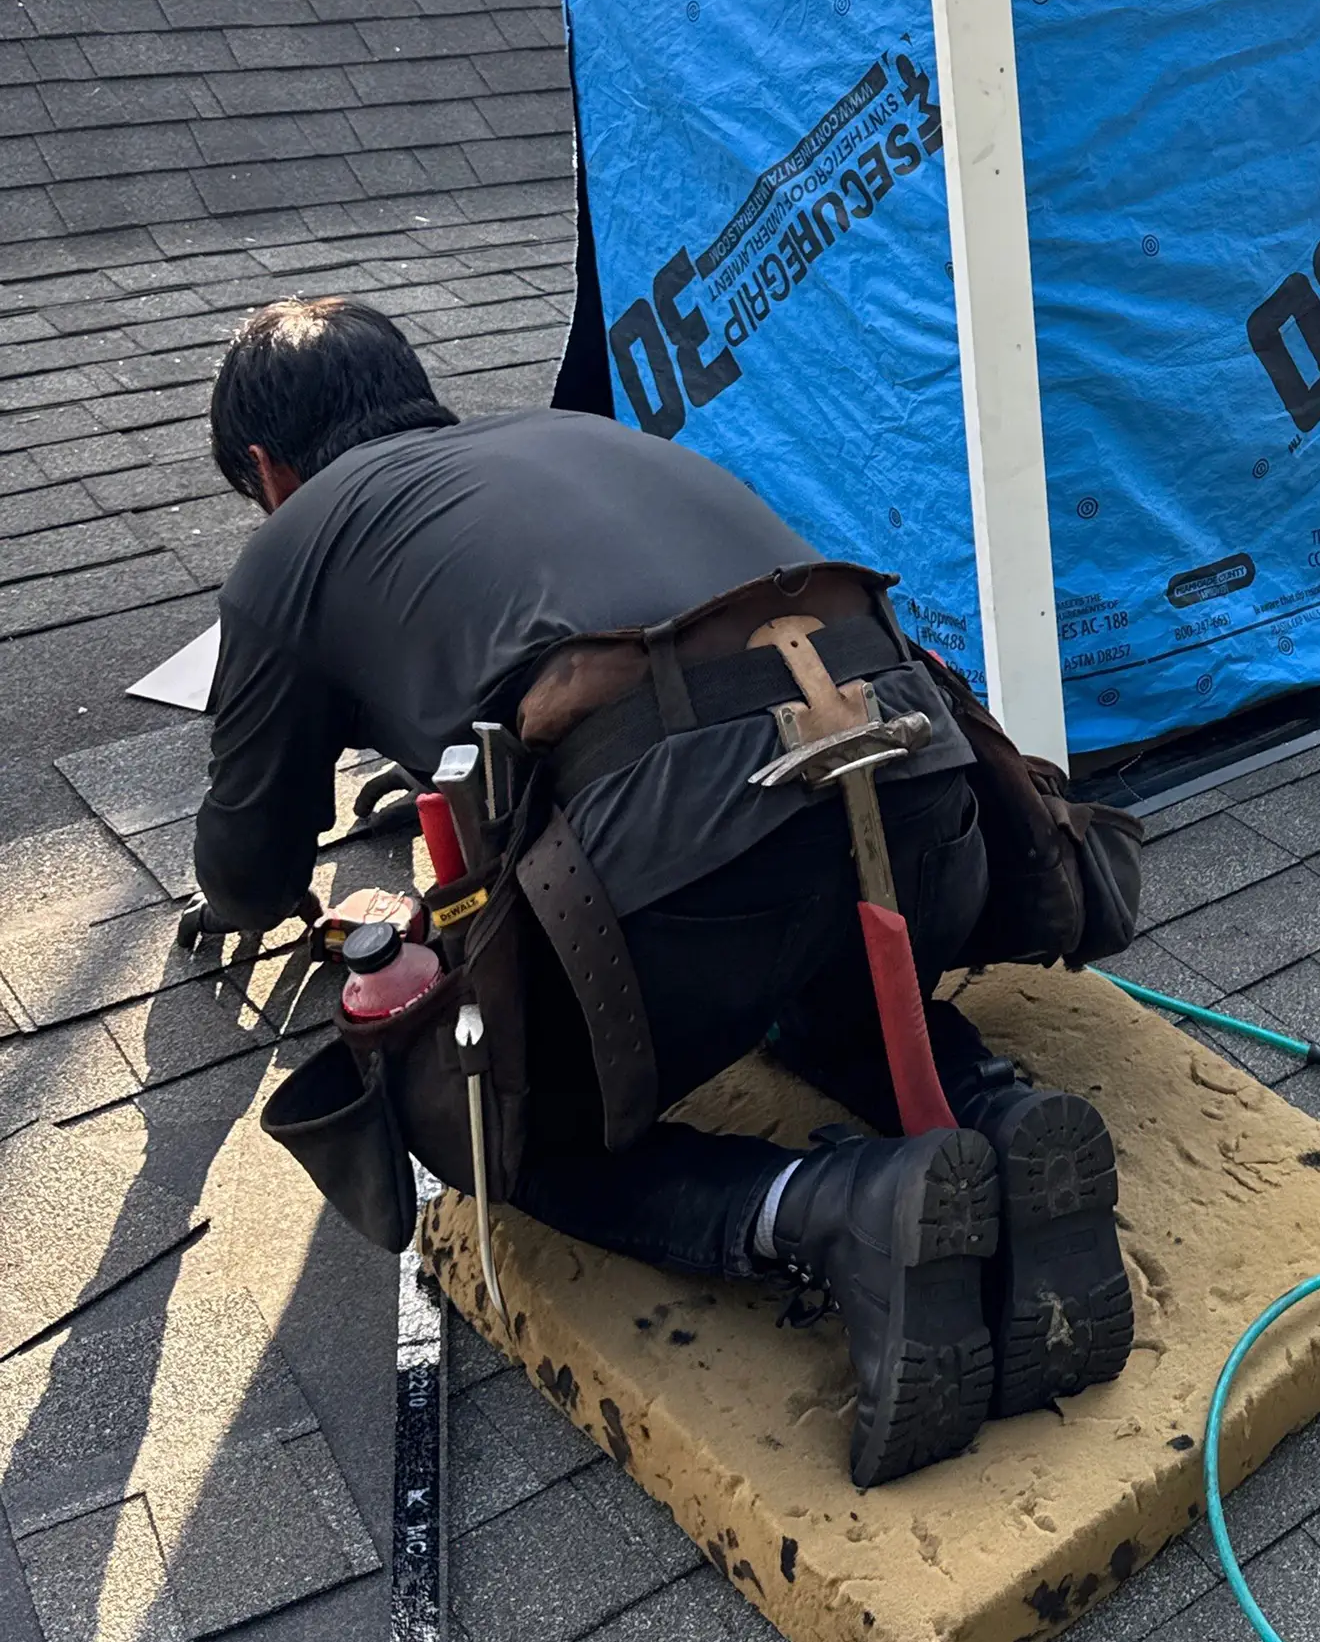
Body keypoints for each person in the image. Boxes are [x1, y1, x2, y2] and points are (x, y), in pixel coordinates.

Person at [187, 295, 1134, 1487]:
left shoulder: (294, 543)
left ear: (270, 471)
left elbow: (249, 865)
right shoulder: (585, 435)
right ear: (416, 391)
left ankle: (828, 1210)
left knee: (514, 1130)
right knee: (807, 936)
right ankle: (992, 1112)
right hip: (933, 814)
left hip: (703, 876)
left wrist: (247, 903)